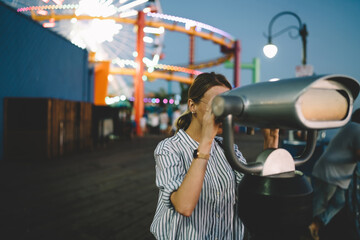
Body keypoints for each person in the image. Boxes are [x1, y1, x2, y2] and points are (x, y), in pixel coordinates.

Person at [150, 72, 279, 240]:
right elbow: (184, 206)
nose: (223, 113)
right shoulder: (169, 148)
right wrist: (205, 141)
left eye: (227, 105)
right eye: (217, 104)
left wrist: (271, 143)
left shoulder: (228, 148)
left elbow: (253, 195)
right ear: (192, 105)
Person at [309, 108, 360, 240]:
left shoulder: (351, 127)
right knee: (319, 205)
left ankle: (316, 225)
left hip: (335, 175)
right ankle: (307, 231)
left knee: (339, 201)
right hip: (329, 174)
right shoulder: (356, 129)